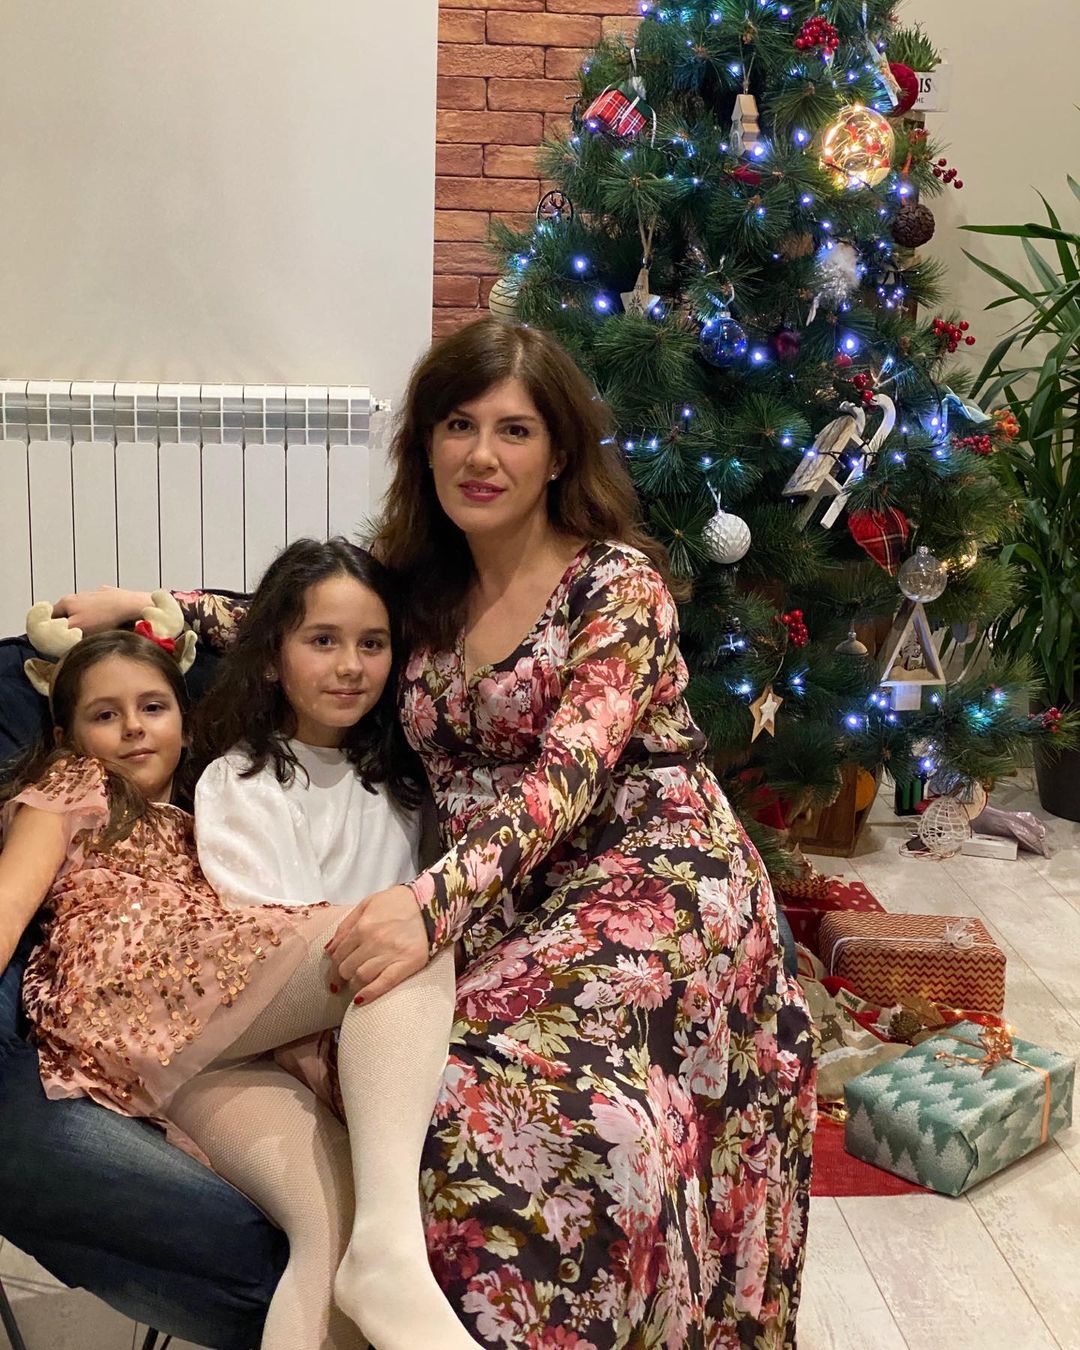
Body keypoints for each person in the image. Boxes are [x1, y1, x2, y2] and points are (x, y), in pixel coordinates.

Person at [54, 316, 818, 1347]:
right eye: (458, 425)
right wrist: (156, 608)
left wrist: (427, 905)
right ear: (425, 443)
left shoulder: (617, 587)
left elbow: (569, 776)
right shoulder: (424, 587)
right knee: (422, 1086)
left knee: (557, 1112)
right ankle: (397, 1286)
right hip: (495, 894)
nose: (481, 456)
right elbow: (293, 618)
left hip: (649, 880)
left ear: (559, 453)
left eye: (515, 430)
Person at [0, 600, 480, 1350]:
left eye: (153, 707)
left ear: (184, 722)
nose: (133, 729)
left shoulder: (208, 809)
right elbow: (8, 901)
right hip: (128, 983)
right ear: (68, 737)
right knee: (405, 930)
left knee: (332, 1217)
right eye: (105, 715)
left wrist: (141, 599)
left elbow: (298, 608)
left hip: (197, 1046)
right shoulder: (73, 785)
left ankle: (380, 1266)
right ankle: (394, 1253)